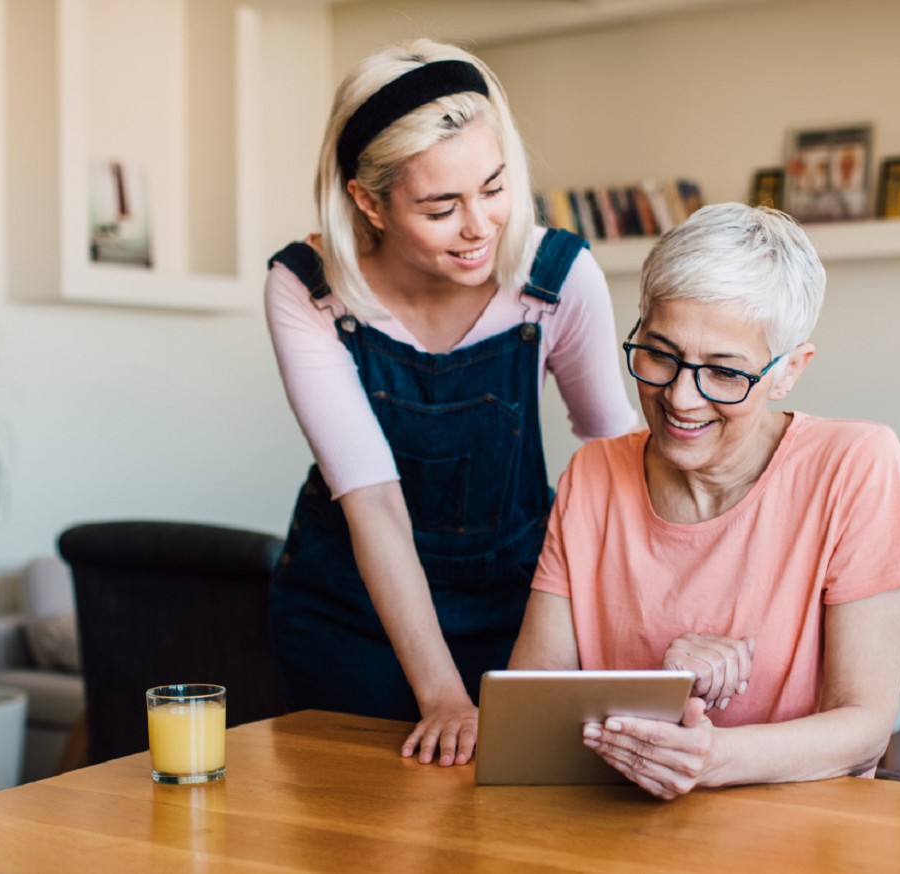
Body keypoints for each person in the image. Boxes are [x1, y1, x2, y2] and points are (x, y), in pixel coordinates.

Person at [264, 39, 638, 768]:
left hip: (521, 606)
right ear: (367, 202)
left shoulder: (556, 278)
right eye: (441, 206)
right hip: (349, 612)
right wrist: (441, 694)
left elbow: (615, 462)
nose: (479, 226)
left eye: (493, 188)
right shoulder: (307, 290)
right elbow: (372, 502)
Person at [508, 202, 900, 799]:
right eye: (659, 353)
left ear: (788, 371)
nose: (681, 398)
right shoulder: (594, 472)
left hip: (804, 834)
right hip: (615, 824)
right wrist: (660, 686)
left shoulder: (857, 465)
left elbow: (863, 727)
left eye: (725, 372)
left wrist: (711, 759)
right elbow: (529, 704)